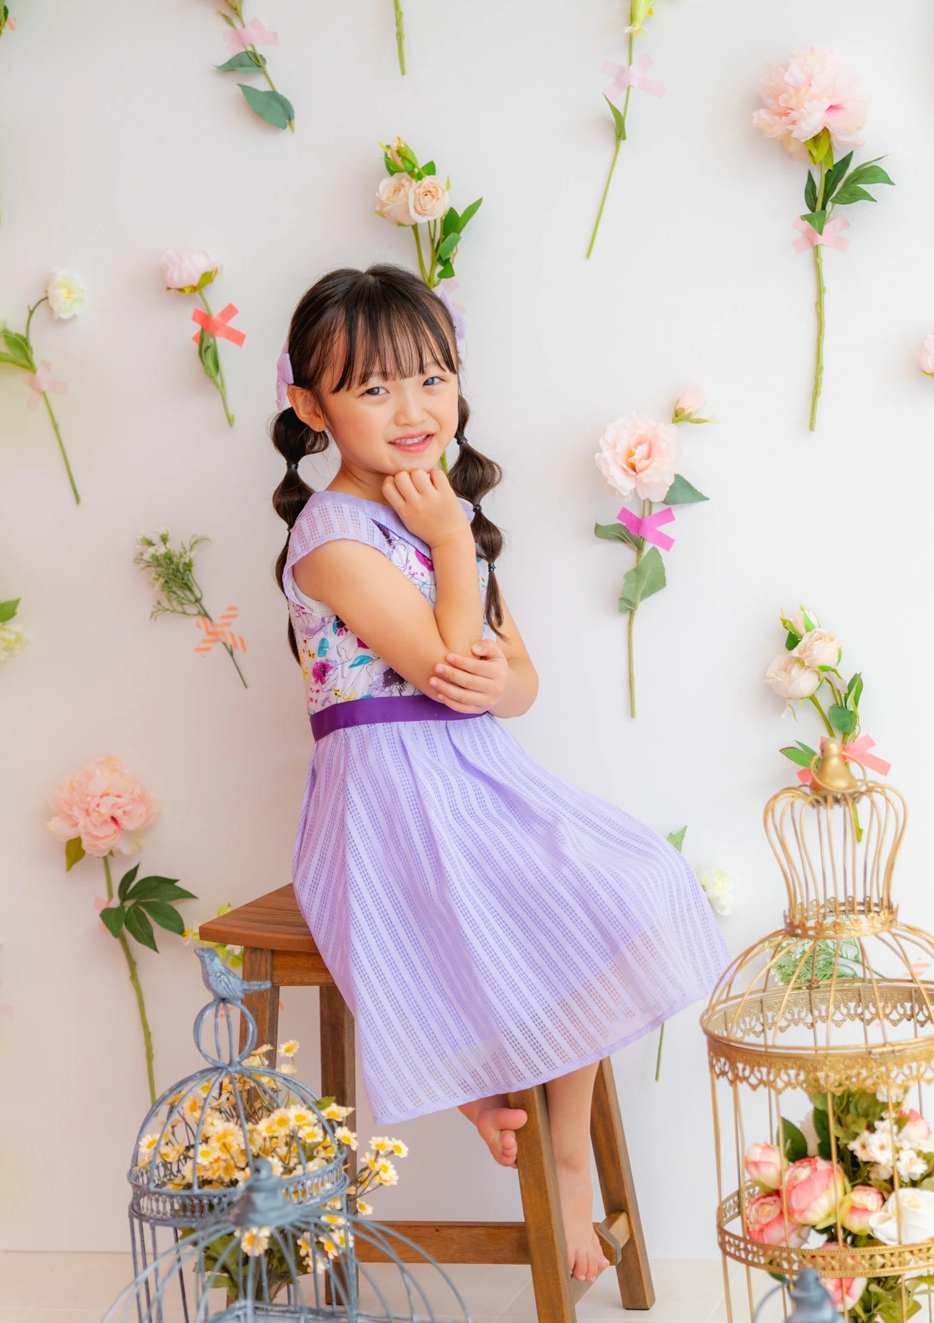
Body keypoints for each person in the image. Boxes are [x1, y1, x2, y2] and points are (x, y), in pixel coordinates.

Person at [270, 264, 728, 1282]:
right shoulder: (330, 536)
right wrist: (446, 542)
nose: (413, 410)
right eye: (374, 388)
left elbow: (513, 682)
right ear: (311, 406)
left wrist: (490, 659)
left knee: (628, 879)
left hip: (474, 772)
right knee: (554, 898)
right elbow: (440, 661)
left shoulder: (450, 519)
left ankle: (534, 1123)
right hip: (389, 797)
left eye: (431, 379)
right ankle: (530, 1129)